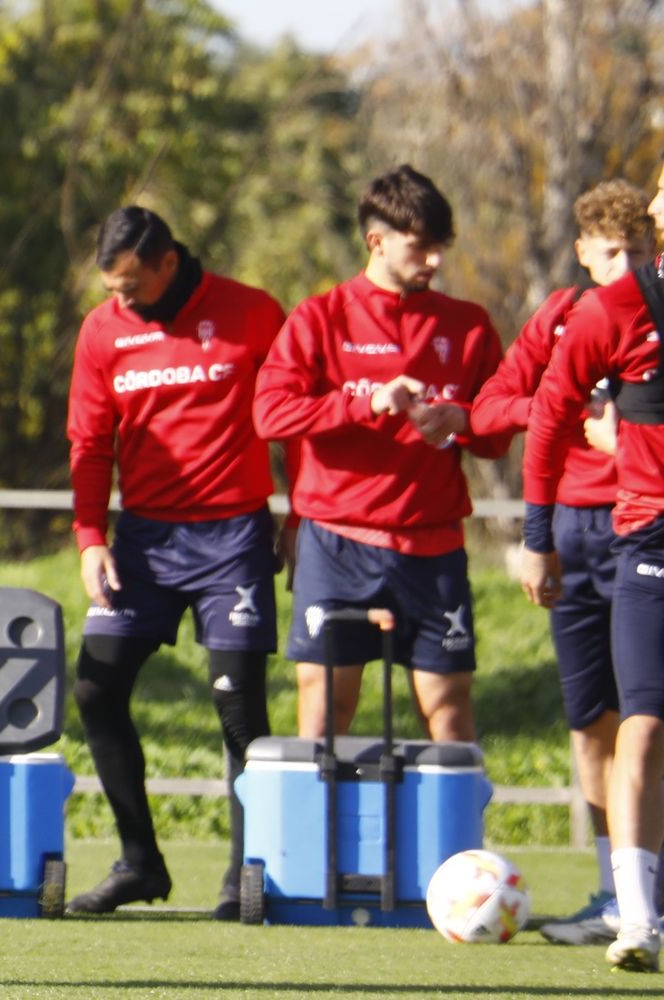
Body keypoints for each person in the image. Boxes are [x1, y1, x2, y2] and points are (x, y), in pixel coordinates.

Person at [60, 206, 285, 919]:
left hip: (235, 539)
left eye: (130, 285)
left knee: (237, 704)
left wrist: (301, 511)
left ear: (166, 263)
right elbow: (90, 442)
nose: (118, 301)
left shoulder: (252, 313)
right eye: (110, 288)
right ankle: (140, 862)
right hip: (144, 543)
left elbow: (292, 418)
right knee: (96, 685)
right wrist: (91, 536)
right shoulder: (102, 331)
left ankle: (248, 874)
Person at [253, 164, 512, 744]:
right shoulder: (319, 318)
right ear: (377, 241)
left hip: (432, 545)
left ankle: (455, 838)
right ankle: (319, 836)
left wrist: (464, 421)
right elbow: (270, 415)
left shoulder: (468, 327)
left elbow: (496, 436)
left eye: (441, 248)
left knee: (447, 709)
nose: (435, 262)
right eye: (421, 248)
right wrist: (366, 402)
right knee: (327, 704)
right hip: (337, 545)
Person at [471, 179, 653, 946]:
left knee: (648, 710)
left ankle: (648, 890)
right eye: (613, 255)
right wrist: (570, 406)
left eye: (638, 253)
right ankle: (618, 890)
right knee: (592, 720)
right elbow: (492, 415)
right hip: (577, 532)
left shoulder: (648, 310)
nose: (628, 267)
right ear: (583, 252)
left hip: (640, 526)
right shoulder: (564, 319)